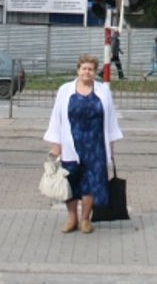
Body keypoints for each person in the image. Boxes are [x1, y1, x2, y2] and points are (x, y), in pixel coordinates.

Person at [44, 54, 123, 234]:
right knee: (70, 183)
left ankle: (85, 219)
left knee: (91, 183)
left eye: (90, 69)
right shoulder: (65, 90)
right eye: (83, 68)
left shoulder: (103, 91)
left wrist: (111, 147)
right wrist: (56, 145)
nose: (86, 72)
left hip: (95, 147)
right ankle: (72, 218)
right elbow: (56, 117)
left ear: (95, 72)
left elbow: (110, 120)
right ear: (78, 70)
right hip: (71, 144)